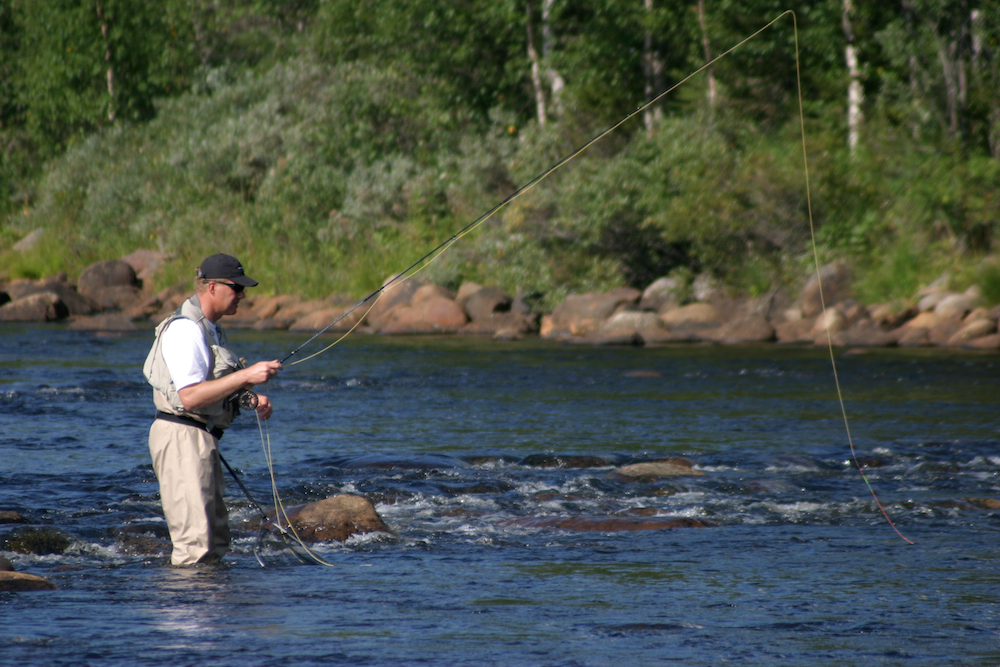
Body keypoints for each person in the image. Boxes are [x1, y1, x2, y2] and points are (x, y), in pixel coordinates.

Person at [143, 253, 282, 566]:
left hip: (201, 438)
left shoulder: (211, 329)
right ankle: (191, 599)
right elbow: (190, 397)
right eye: (237, 288)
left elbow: (211, 387)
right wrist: (246, 376)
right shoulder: (186, 331)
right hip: (182, 439)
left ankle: (211, 599)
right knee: (196, 547)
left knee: (215, 540)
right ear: (213, 287)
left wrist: (248, 397)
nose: (242, 295)